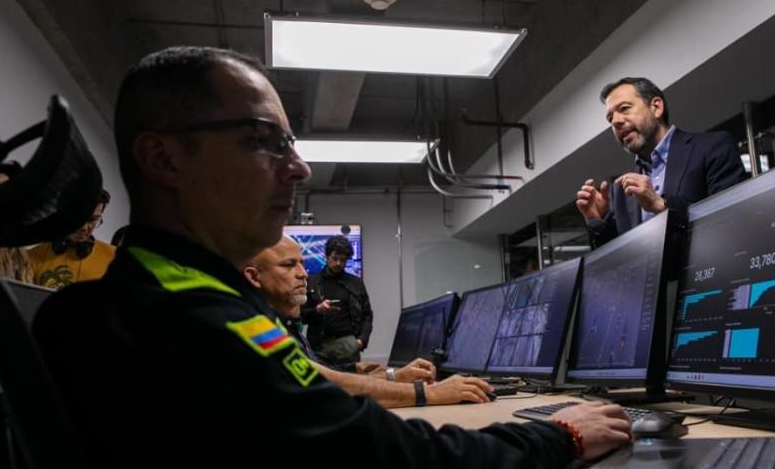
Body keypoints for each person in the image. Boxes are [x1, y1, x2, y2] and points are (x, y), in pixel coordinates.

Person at [33, 46, 631, 467]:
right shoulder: (181, 321)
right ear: (165, 160)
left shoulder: (162, 299)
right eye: (263, 141)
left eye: (290, 143)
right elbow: (377, 455)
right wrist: (557, 437)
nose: (300, 168)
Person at [244, 236, 495, 407]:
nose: (302, 273)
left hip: (348, 347)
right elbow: (329, 384)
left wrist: (392, 373)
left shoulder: (283, 325)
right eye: (289, 265)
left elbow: (337, 374)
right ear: (254, 277)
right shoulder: (256, 329)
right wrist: (427, 393)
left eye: (301, 263)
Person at [577, 77, 748, 247]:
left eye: (624, 108)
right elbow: (617, 264)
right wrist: (597, 221)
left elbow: (732, 219)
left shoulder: (712, 147)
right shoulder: (620, 190)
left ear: (656, 107)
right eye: (610, 118)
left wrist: (662, 205)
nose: (616, 121)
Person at [302, 235, 373, 369]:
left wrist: (361, 341)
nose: (338, 263)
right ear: (327, 256)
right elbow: (301, 315)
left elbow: (367, 316)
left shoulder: (355, 283)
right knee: (322, 388)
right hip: (318, 348)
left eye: (343, 260)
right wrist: (317, 309)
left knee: (350, 388)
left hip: (348, 346)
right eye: (335, 258)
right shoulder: (312, 282)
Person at [26, 189, 116, 288]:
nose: (84, 227)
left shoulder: (115, 257)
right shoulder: (31, 257)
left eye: (93, 219)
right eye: (79, 218)